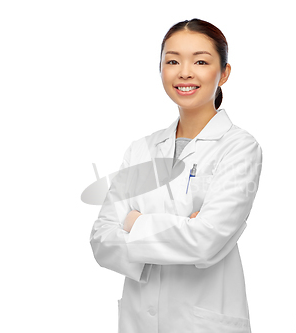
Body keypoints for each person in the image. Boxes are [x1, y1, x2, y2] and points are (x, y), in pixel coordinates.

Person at [90, 18, 262, 333]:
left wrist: (132, 223)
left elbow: (205, 239)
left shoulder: (239, 147)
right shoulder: (141, 149)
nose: (184, 72)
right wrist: (187, 227)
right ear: (161, 69)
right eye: (172, 61)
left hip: (203, 322)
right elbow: (101, 240)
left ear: (223, 73)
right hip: (138, 321)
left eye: (200, 61)